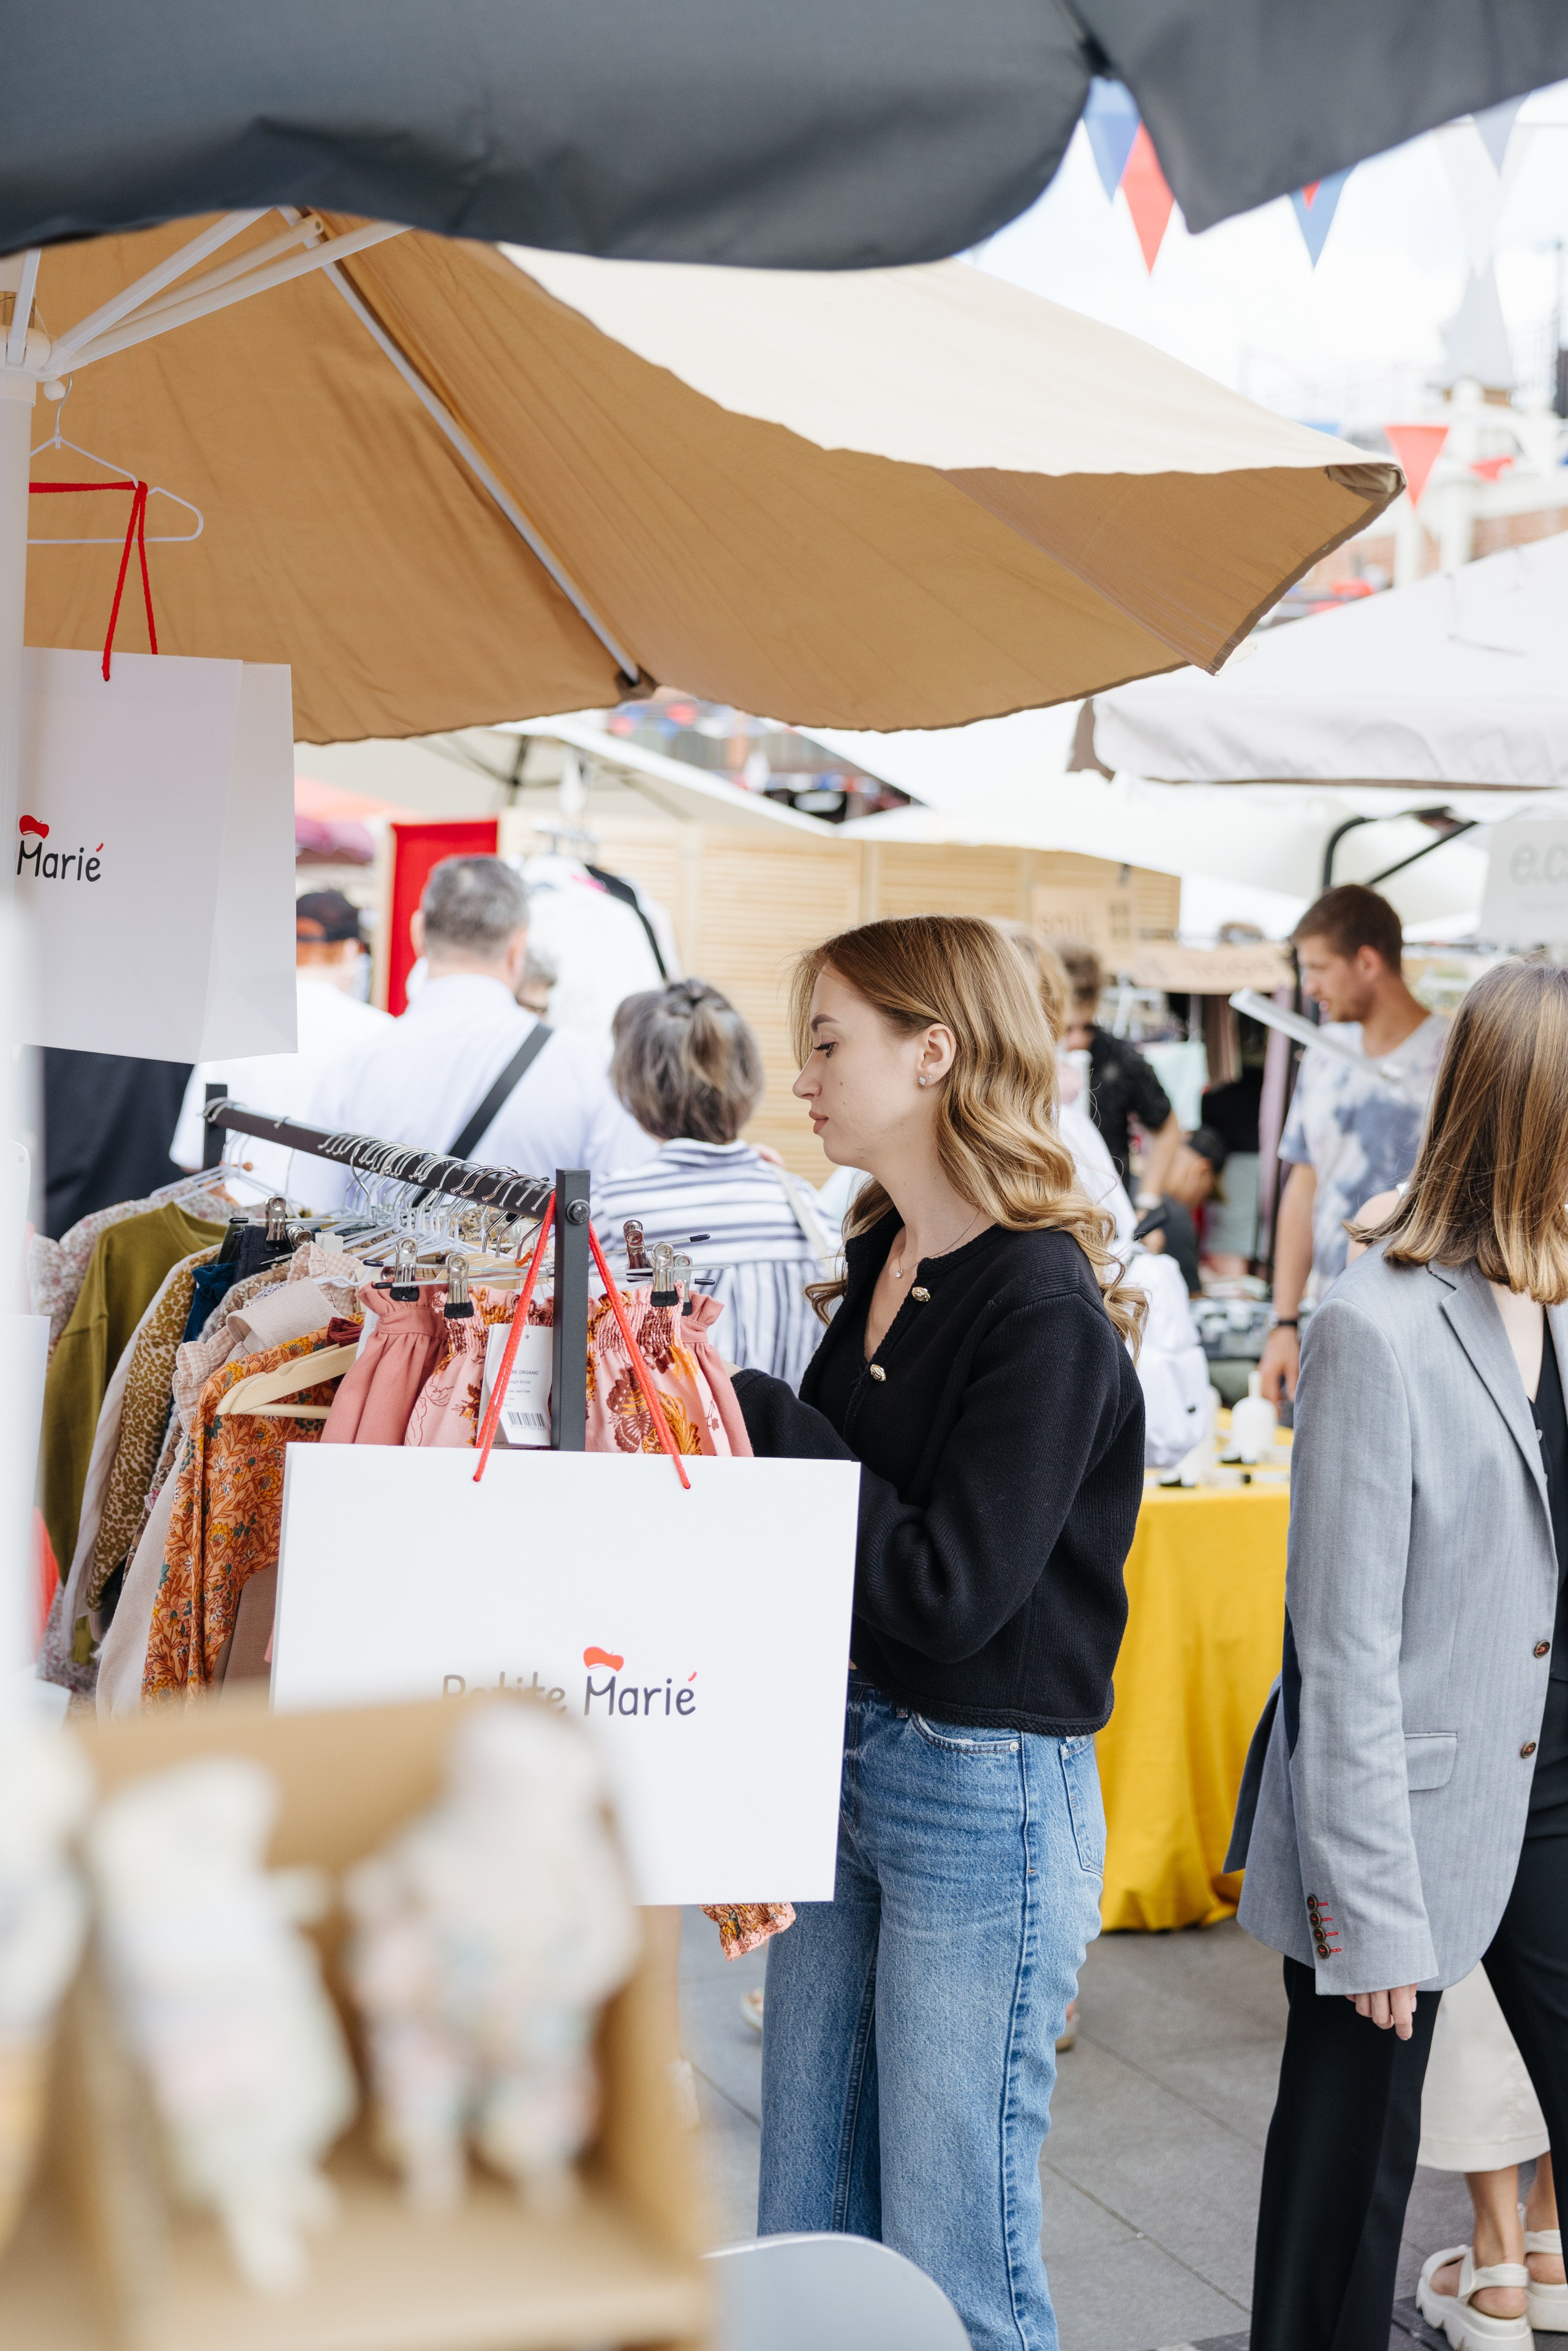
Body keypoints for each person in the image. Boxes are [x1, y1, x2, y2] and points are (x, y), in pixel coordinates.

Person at [729, 914, 1147, 2351]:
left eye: (830, 1041)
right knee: (809, 2218)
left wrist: (766, 1420)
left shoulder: (1041, 1304)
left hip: (980, 1783)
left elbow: (944, 1587)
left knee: (952, 2253)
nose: (805, 1079)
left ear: (936, 1050)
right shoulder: (882, 1243)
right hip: (851, 1758)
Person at [1227, 959, 1568, 2351]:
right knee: (1341, 2178)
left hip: (1549, 1779)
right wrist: (1364, 1903)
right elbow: (1342, 1643)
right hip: (1404, 1805)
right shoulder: (1372, 1327)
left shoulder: (1551, 1298)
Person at [307, 856, 656, 1203]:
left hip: (378, 1258)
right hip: (535, 1259)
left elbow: (314, 1221)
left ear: (418, 934)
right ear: (518, 948)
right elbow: (626, 1217)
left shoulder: (352, 1068)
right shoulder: (586, 1066)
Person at [1255, 883, 1447, 1406]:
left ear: (1367, 961)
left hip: (1423, 1326)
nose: (1309, 984)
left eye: (1318, 967)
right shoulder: (1322, 1053)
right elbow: (1304, 1187)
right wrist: (1285, 1320)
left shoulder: (1453, 1059)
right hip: (1327, 1315)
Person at [593, 979, 828, 1389]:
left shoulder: (609, 1210)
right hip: (795, 1448)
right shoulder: (803, 1205)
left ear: (633, 1084)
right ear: (748, 1076)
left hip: (674, 1451)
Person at [170, 890, 393, 1205]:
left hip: (235, 1231)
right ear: (350, 951)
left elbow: (191, 1154)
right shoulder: (381, 1033)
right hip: (339, 1239)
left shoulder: (236, 1022)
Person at [1058, 940, 1181, 1200]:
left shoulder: (1121, 1058)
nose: (1078, 1040)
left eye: (1088, 1027)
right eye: (1066, 1029)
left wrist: (1148, 1200)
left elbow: (1166, 1126)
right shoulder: (1021, 1058)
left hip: (1107, 1213)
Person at [1133, 1124, 1229, 1296]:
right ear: (1201, 1171)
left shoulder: (1125, 1183)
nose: (1200, 1203)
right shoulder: (1174, 1216)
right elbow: (1193, 1299)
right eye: (1206, 1194)